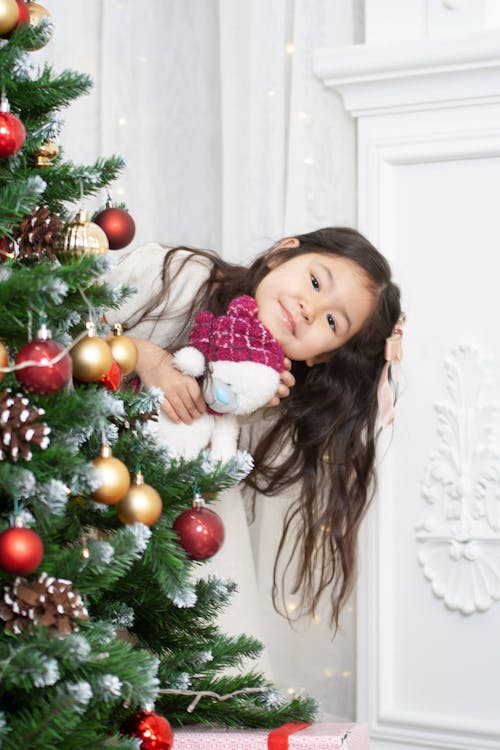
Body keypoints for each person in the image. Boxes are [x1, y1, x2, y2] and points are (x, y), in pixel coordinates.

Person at [104, 227, 402, 632]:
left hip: (143, 525)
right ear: (281, 255)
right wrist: (142, 355)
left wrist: (240, 401)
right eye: (314, 282)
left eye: (331, 321)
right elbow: (61, 319)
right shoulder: (180, 277)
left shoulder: (267, 393)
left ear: (321, 357)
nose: (308, 309)